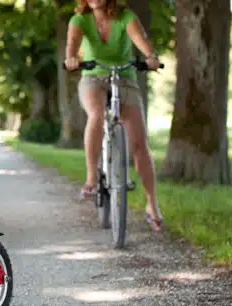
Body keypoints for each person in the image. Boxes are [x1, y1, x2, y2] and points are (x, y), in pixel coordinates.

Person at [64, 0, 164, 232]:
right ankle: (91, 179)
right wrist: (71, 58)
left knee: (139, 145)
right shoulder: (79, 19)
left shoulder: (125, 16)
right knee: (97, 114)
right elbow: (72, 45)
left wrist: (150, 56)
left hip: (124, 77)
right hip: (93, 78)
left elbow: (142, 41)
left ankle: (152, 205)